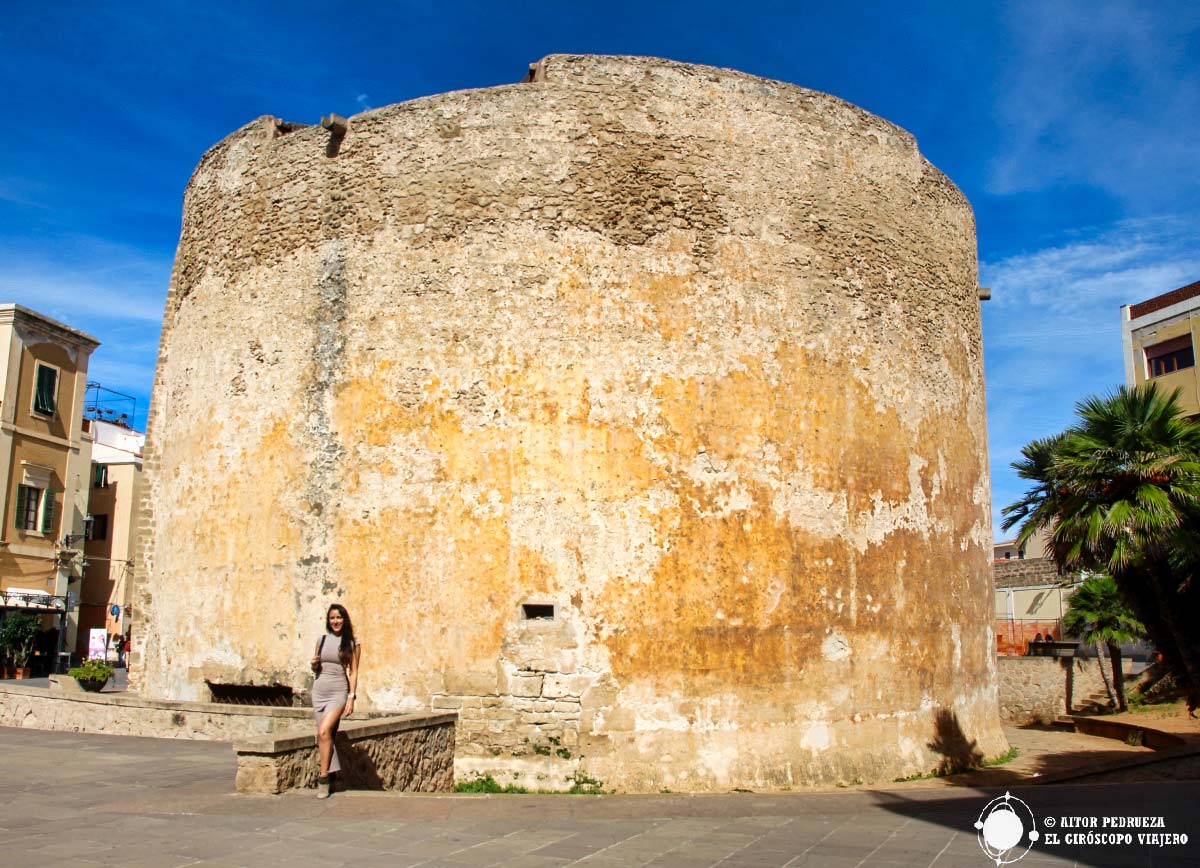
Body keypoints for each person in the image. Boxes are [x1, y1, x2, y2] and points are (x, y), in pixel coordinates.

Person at [310, 604, 361, 799]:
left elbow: (354, 672)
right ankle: (334, 776)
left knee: (324, 731)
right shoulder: (321, 640)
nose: (335, 621)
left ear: (344, 619)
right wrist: (313, 664)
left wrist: (351, 697)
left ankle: (323, 779)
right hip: (319, 691)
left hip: (339, 691)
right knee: (324, 734)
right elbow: (316, 668)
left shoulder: (352, 643)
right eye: (332, 618)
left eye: (339, 617)